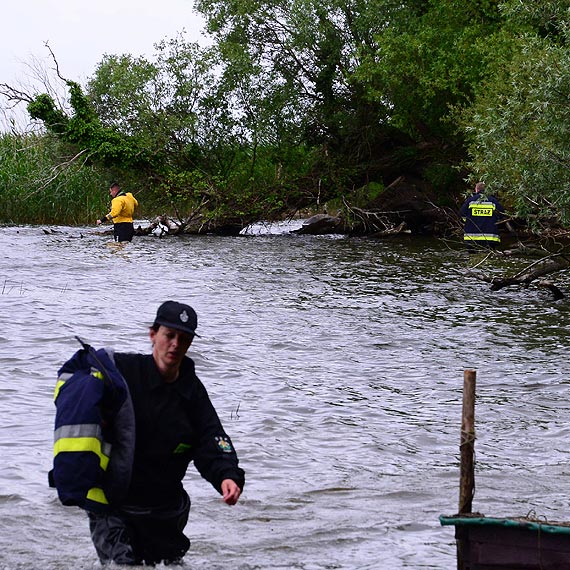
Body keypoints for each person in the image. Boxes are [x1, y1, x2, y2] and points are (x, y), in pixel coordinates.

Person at [52, 301, 245, 566]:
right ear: (153, 335)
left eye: (184, 339)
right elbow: (86, 393)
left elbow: (210, 435)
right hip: (114, 506)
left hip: (164, 509)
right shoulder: (121, 374)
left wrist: (227, 476)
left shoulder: (191, 390)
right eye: (169, 335)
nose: (176, 344)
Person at [459, 181, 505, 248]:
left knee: (472, 257)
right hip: (490, 238)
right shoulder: (493, 201)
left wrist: (468, 221)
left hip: (472, 238)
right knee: (489, 257)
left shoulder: (470, 201)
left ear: (476, 190)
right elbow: (502, 214)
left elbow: (462, 213)